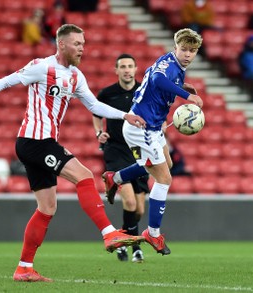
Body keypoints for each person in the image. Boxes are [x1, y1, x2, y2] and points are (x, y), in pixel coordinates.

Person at [0, 24, 146, 282]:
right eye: (77, 43)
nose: (82, 48)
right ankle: (109, 232)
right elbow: (6, 81)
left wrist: (126, 115)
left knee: (47, 208)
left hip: (39, 143)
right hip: (35, 140)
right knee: (84, 175)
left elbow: (94, 105)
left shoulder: (76, 76)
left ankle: (24, 267)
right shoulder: (41, 66)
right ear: (61, 44)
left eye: (83, 43)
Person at [102, 28, 203, 256]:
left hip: (153, 127)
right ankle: (153, 233)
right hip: (142, 127)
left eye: (192, 51)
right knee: (164, 178)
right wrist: (187, 96)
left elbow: (152, 76)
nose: (187, 54)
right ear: (175, 47)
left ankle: (115, 177)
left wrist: (181, 87)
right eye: (184, 49)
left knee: (164, 163)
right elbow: (157, 78)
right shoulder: (169, 66)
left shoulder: (174, 66)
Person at [92, 53, 149, 263]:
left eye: (130, 66)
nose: (126, 70)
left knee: (140, 209)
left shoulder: (144, 91)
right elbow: (96, 113)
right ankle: (135, 248)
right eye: (122, 66)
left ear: (135, 69)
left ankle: (121, 240)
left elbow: (155, 114)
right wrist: (100, 133)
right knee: (130, 201)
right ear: (116, 70)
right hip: (115, 151)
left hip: (139, 152)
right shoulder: (107, 93)